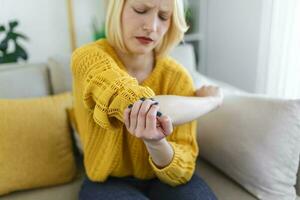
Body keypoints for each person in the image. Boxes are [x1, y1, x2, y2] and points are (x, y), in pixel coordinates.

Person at [71, 0, 223, 199]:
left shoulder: (177, 77)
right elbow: (134, 103)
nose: (151, 26)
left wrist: (156, 144)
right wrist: (210, 102)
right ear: (118, 9)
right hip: (107, 181)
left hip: (163, 179)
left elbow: (183, 168)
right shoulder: (88, 57)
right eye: (140, 10)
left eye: (163, 17)